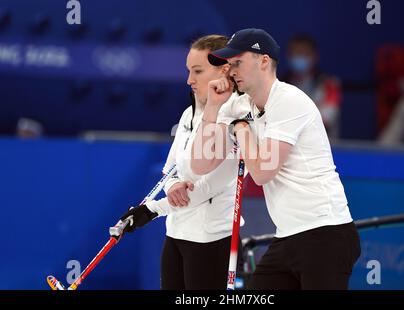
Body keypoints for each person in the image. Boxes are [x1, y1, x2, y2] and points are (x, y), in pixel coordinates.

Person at [191, 28, 360, 290]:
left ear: (264, 61)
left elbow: (262, 173)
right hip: (287, 237)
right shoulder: (239, 105)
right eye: (229, 65)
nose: (230, 71)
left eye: (237, 63)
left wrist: (240, 128)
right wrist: (213, 107)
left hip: (326, 233)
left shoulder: (289, 100)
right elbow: (201, 164)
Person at [119, 35, 244, 290]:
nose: (189, 80)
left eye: (197, 71)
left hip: (212, 239)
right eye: (189, 71)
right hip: (177, 233)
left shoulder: (237, 116)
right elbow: (170, 169)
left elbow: (211, 186)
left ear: (224, 70)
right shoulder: (189, 113)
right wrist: (172, 186)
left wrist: (153, 210)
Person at [284, 34, 342, 140]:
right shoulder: (278, 84)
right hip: (287, 146)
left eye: (305, 54)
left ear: (315, 56)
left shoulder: (329, 84)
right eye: (296, 53)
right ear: (289, 56)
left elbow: (326, 118)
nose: (300, 57)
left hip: (324, 147)